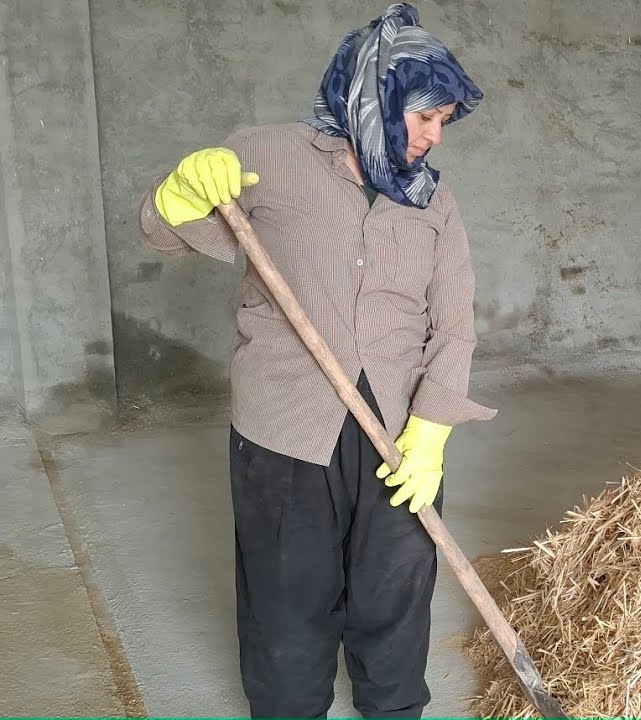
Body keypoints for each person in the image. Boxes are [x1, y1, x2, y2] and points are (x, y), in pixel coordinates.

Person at [135, 4, 495, 717]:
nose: (433, 135)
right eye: (424, 115)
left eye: (444, 120)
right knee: (287, 590)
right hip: (285, 419)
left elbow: (455, 323)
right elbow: (160, 233)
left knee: (395, 583)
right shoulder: (266, 154)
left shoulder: (434, 201)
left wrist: (432, 432)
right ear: (374, 92)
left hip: (397, 428)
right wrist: (180, 189)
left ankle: (393, 710)